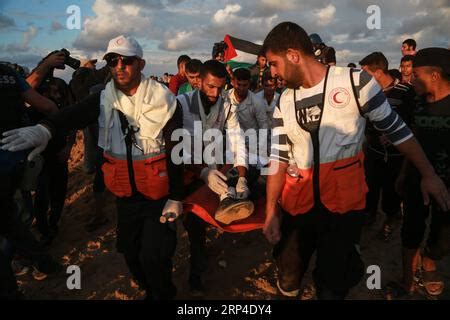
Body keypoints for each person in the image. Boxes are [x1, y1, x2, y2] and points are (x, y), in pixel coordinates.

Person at [261, 22, 450, 300]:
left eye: (274, 64)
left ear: (292, 55)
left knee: (333, 284)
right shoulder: (284, 100)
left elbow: (398, 131)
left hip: (342, 209)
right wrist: (270, 211)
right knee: (288, 278)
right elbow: (278, 156)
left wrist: (428, 174)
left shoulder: (354, 83)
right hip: (297, 208)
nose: (272, 73)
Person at [1, 35, 185, 300]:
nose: (119, 66)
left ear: (141, 64)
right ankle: (151, 289)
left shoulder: (165, 101)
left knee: (155, 257)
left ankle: (162, 295)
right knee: (131, 255)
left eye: (127, 60)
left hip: (159, 196)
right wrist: (44, 129)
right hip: (125, 196)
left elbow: (177, 151)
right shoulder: (103, 98)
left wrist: (176, 196)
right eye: (113, 60)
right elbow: (72, 113)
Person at [177, 60, 250, 296]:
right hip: (188, 171)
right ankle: (196, 269)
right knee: (191, 223)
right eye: (209, 87)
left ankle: (197, 271)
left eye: (219, 88)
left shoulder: (227, 105)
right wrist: (202, 172)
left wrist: (242, 176)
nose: (214, 93)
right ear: (199, 82)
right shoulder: (182, 105)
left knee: (200, 221)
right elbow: (177, 147)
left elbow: (237, 138)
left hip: (212, 165)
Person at [386, 48, 450, 299]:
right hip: (416, 178)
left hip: (447, 184)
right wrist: (404, 173)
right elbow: (410, 137)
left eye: (417, 75)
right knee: (411, 229)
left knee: (444, 235)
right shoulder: (416, 101)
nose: (411, 80)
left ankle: (430, 258)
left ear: (434, 75)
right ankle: (407, 281)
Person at [0, 63, 62, 298]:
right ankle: (44, 262)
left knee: (10, 219)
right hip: (17, 162)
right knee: (10, 219)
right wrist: (54, 132)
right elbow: (47, 106)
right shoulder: (7, 73)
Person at [359, 52, 416, 240]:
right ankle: (369, 217)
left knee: (392, 191)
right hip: (373, 153)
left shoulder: (406, 92)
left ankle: (391, 219)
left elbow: (413, 122)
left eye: (365, 73)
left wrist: (395, 135)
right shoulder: (368, 93)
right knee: (370, 187)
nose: (362, 78)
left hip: (396, 156)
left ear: (378, 72)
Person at [226, 67, 269, 169]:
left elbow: (264, 127)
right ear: (232, 82)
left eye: (244, 85)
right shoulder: (225, 97)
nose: (241, 88)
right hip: (230, 141)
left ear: (249, 84)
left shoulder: (257, 102)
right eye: (238, 84)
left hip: (252, 144)